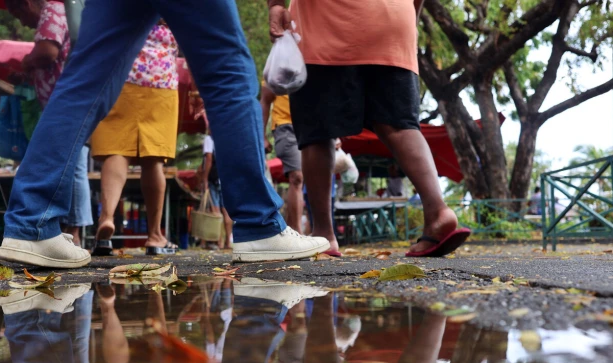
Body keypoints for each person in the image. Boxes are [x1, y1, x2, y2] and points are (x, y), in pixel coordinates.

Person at [0, 0, 330, 269]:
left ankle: (31, 222)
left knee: (86, 78)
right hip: (160, 87)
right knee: (227, 69)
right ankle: (259, 224)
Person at [268, 0, 470, 258]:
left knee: (319, 133)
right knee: (399, 125)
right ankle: (439, 212)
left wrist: (275, 4)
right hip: (393, 23)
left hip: (325, 25)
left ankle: (324, 236)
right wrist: (410, 16)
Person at [5, 0, 93, 247]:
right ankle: (68, 230)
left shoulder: (52, 9)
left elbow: (48, 52)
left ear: (28, 3)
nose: (21, 21)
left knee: (72, 167)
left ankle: (72, 232)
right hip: (63, 99)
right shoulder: (57, 12)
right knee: (71, 165)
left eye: (18, 12)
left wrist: (28, 60)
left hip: (64, 100)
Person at [91, 22, 180, 256]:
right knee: (153, 159)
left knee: (116, 149)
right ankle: (154, 236)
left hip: (121, 73)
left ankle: (106, 218)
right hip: (160, 79)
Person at [260, 83, 304, 233]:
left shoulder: (317, 60)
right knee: (297, 176)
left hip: (311, 124)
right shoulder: (277, 61)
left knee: (311, 181)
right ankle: (298, 232)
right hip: (285, 126)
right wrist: (262, 136)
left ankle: (293, 232)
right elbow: (265, 99)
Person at [201, 128, 234, 250]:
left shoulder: (209, 139)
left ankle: (218, 242)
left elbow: (209, 159)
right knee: (226, 212)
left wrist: (204, 179)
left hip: (213, 179)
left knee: (215, 212)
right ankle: (227, 243)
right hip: (225, 179)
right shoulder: (225, 140)